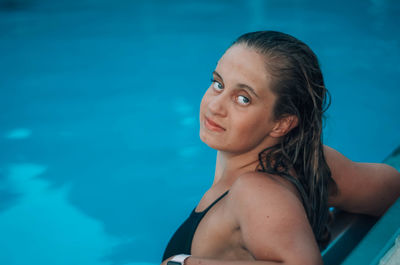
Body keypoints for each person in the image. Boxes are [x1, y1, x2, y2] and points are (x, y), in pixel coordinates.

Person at [161, 31, 400, 265]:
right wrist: (312, 227)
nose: (215, 106)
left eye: (243, 99)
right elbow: (391, 188)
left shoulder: (255, 191)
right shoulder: (309, 162)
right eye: (218, 83)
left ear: (281, 123)